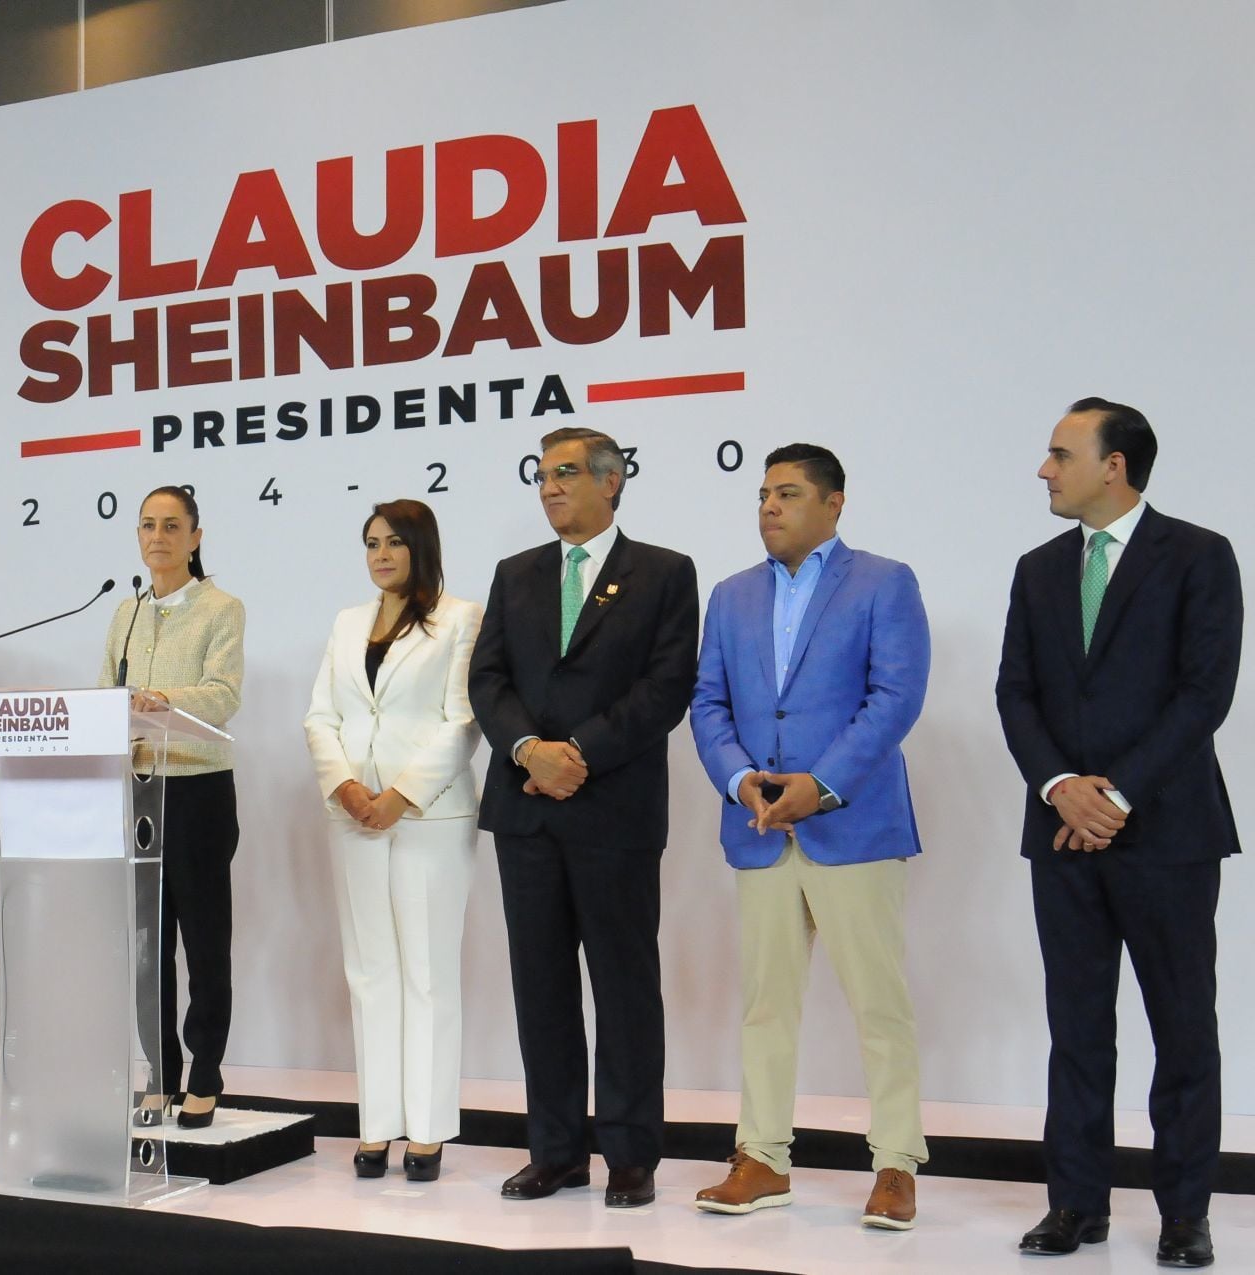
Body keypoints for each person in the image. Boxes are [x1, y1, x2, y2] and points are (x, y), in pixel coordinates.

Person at [996, 398, 1240, 1269]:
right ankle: (1076, 1204)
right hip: (1061, 832)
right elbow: (1014, 692)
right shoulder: (1037, 567)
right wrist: (1063, 788)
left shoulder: (1201, 556)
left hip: (1167, 831)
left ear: (1115, 466)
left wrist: (1118, 794)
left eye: (1060, 454)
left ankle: (1184, 1213)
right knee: (1077, 1027)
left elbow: (1204, 694)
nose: (1044, 469)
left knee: (1183, 1027)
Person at [687, 445, 930, 1229]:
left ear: (834, 503)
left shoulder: (884, 582)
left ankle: (895, 1163)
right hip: (758, 824)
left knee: (877, 1003)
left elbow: (893, 698)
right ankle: (761, 1157)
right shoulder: (729, 595)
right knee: (765, 1004)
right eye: (762, 494)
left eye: (787, 493)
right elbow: (709, 702)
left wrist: (817, 787)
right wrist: (739, 778)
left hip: (851, 824)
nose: (769, 507)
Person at [468, 427, 698, 1208]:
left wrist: (579, 754)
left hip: (614, 810)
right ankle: (557, 1150)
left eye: (565, 472)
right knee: (541, 988)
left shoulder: (664, 572)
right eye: (541, 474)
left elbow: (666, 688)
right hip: (525, 811)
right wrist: (532, 749)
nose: (549, 486)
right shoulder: (515, 574)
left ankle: (631, 1153)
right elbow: (487, 678)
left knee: (625, 986)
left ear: (613, 480)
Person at [303, 499, 481, 1182]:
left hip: (428, 817)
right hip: (351, 816)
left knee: (428, 975)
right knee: (369, 972)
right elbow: (321, 715)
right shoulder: (348, 622)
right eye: (371, 543)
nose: (380, 554)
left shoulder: (460, 617)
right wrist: (346, 788)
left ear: (421, 547)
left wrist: (399, 795)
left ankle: (429, 1130)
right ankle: (376, 1123)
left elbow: (462, 721)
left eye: (393, 543)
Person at [97, 486, 244, 1129]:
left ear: (195, 537)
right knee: (146, 944)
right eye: (147, 526)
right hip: (139, 788)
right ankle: (159, 1072)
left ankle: (205, 1072)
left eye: (171, 526)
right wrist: (119, 711)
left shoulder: (221, 607)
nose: (157, 537)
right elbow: (106, 694)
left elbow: (222, 693)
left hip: (197, 788)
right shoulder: (125, 613)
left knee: (204, 940)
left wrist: (159, 698)